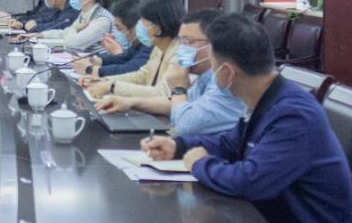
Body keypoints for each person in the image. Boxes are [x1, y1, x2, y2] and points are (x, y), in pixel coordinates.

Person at [141, 14, 352, 223]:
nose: (211, 72)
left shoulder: (294, 115)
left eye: (213, 66)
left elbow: (250, 182)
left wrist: (200, 164)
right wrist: (179, 146)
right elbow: (230, 144)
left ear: (228, 72)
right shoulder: (265, 98)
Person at [95, 9, 244, 136]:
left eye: (189, 42)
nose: (182, 48)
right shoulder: (205, 77)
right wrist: (131, 103)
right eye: (181, 42)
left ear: (215, 44)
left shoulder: (225, 81)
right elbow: (175, 104)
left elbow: (186, 125)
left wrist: (179, 89)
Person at [83, 0, 183, 99]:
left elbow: (163, 94)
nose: (140, 25)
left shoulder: (178, 54)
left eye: (144, 20)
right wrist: (104, 81)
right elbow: (142, 76)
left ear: (159, 25)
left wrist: (112, 86)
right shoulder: (158, 48)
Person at [25, 0, 114, 52]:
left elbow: (73, 44)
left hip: (98, 63)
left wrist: (75, 29)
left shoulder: (102, 19)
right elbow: (66, 32)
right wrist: (41, 36)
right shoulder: (85, 13)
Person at [92, 0, 151, 77]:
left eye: (119, 28)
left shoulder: (149, 45)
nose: (116, 33)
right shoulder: (138, 44)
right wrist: (98, 60)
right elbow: (124, 57)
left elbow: (131, 69)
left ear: (134, 28)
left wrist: (93, 70)